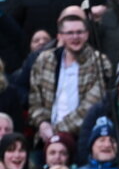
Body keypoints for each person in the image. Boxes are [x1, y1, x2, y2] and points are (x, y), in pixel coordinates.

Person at [29, 14, 113, 142]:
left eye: (79, 32)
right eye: (70, 33)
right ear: (60, 36)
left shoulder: (99, 62)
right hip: (45, 138)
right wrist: (42, 123)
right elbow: (35, 99)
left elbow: (90, 107)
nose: (75, 37)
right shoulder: (45, 60)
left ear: (87, 34)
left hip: (82, 138)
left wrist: (56, 132)